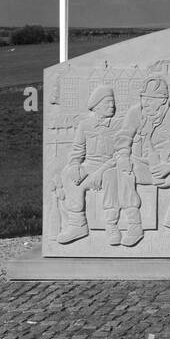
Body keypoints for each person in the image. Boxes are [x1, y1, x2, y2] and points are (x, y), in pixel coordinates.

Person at [54, 85, 137, 245]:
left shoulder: (119, 125)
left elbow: (121, 152)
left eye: (112, 102)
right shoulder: (85, 126)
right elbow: (77, 150)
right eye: (107, 103)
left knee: (110, 176)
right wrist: (75, 165)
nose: (112, 106)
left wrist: (102, 170)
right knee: (67, 174)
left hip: (110, 165)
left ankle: (111, 226)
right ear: (96, 106)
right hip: (89, 165)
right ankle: (77, 225)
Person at [116, 76, 170, 237]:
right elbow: (123, 139)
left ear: (162, 100)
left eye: (151, 99)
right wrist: (125, 156)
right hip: (139, 166)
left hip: (164, 170)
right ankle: (133, 222)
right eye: (143, 98)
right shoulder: (135, 112)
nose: (145, 103)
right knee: (122, 164)